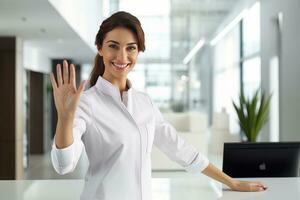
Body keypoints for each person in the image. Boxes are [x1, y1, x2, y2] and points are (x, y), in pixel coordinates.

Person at [50, 11, 267, 200]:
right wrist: (66, 118)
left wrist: (231, 182)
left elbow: (182, 150)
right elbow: (64, 165)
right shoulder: (87, 102)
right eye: (113, 46)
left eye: (131, 48)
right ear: (100, 48)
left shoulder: (144, 102)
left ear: (139, 51)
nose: (122, 57)